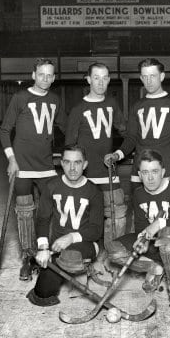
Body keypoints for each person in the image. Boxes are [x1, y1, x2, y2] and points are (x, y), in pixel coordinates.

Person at [0, 58, 66, 281]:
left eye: (50, 75)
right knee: (25, 212)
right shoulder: (20, 98)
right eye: (41, 74)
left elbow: (66, 127)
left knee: (49, 211)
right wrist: (12, 159)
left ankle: (48, 253)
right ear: (33, 75)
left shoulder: (55, 99)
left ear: (54, 78)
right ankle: (28, 258)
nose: (45, 79)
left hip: (46, 167)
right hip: (23, 167)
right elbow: (4, 130)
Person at [108, 149, 170, 307]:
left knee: (168, 236)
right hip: (155, 244)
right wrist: (143, 238)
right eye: (145, 172)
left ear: (162, 172)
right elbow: (142, 226)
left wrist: (160, 223)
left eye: (154, 171)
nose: (150, 177)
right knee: (114, 249)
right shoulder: (138, 194)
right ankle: (158, 268)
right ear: (139, 175)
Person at [26, 144, 104, 306]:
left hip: (86, 243)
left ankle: (54, 263)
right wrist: (42, 247)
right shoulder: (51, 186)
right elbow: (42, 219)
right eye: (67, 162)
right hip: (57, 245)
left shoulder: (94, 191)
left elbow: (96, 230)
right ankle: (43, 262)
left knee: (69, 257)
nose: (72, 168)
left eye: (77, 162)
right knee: (43, 294)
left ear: (85, 165)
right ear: (61, 163)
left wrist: (70, 237)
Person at [65, 63, 127, 252]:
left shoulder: (112, 104)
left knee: (118, 213)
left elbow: (126, 131)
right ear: (89, 79)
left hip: (108, 169)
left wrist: (120, 152)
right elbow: (70, 144)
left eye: (105, 77)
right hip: (86, 173)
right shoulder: (78, 108)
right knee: (82, 214)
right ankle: (83, 252)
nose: (101, 82)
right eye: (96, 77)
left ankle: (114, 254)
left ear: (109, 80)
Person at [104, 58, 170, 186]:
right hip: (140, 172)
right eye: (145, 77)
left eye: (153, 76)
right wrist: (117, 155)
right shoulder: (137, 106)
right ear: (141, 78)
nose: (149, 81)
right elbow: (131, 138)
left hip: (167, 171)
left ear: (162, 76)